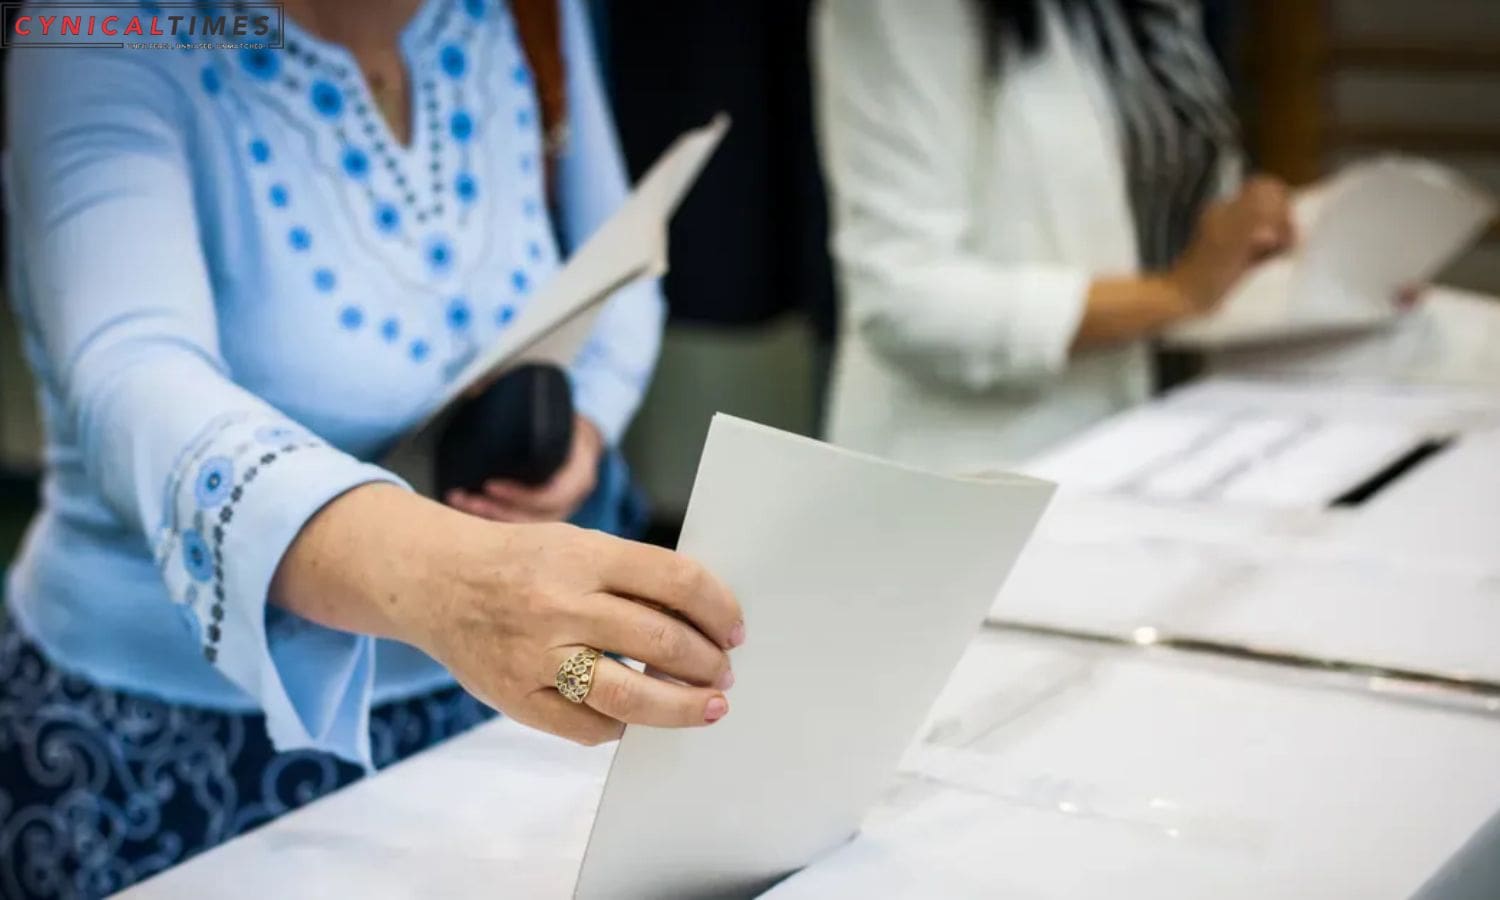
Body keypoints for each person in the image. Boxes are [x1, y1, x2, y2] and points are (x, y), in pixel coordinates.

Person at [1, 0, 741, 894]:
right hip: (181, 737)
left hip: (489, 709)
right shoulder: (101, 28)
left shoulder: (529, 13)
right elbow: (132, 375)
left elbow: (621, 253)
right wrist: (455, 585)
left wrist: (577, 428)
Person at [813, 0, 1296, 472]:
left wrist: (1241, 225)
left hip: (1161, 434)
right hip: (980, 470)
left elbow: (1162, 181)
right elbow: (904, 300)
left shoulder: (1157, 12)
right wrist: (1177, 293)